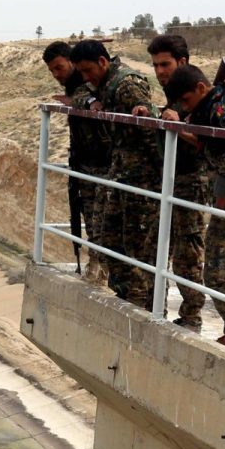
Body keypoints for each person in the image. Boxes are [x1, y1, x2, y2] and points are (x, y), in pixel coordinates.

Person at [163, 64, 225, 357]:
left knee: (219, 274)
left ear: (200, 88)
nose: (185, 107)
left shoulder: (220, 114)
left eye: (186, 101)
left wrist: (221, 205)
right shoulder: (217, 104)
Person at [72, 39, 162, 309]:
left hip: (141, 177)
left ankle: (144, 301)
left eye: (89, 71)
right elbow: (78, 94)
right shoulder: (105, 84)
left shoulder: (126, 84)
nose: (87, 78)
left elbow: (150, 128)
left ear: (103, 62)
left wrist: (157, 177)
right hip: (121, 171)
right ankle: (127, 295)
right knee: (110, 238)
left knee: (138, 243)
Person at [44, 41, 111, 280]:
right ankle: (97, 264)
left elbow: (87, 96)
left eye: (59, 67)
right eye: (52, 70)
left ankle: (103, 266)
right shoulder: (79, 86)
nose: (56, 75)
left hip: (104, 162)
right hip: (84, 161)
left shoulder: (91, 82)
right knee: (90, 216)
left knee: (102, 218)